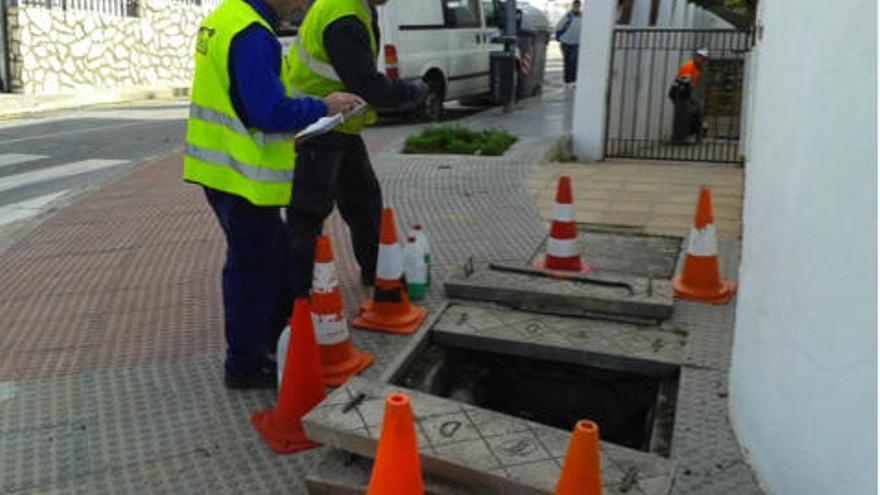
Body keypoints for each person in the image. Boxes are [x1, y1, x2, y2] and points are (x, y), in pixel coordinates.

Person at [183, 0, 362, 389]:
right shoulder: (252, 34)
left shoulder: (224, 18)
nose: (305, 4)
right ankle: (245, 365)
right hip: (242, 175)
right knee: (253, 267)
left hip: (223, 169)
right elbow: (268, 111)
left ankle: (277, 338)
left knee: (271, 254)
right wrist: (323, 106)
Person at [284, 0, 427, 301]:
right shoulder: (344, 17)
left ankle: (378, 273)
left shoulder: (353, 8)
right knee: (308, 214)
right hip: (321, 126)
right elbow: (367, 85)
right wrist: (412, 91)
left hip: (339, 125)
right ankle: (295, 297)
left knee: (364, 202)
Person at [670, 47, 708, 143]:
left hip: (684, 94)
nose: (701, 60)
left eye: (703, 58)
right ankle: (679, 138)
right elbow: (685, 84)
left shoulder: (697, 68)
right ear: (696, 56)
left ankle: (684, 137)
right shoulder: (689, 66)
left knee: (689, 115)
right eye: (700, 57)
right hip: (680, 94)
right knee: (682, 116)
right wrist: (690, 98)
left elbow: (693, 84)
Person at [555, 0, 582, 86]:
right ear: (573, 6)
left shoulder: (583, 17)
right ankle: (567, 81)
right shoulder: (568, 16)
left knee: (574, 62)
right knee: (567, 62)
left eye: (578, 5)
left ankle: (573, 81)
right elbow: (558, 27)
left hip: (576, 43)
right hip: (566, 42)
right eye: (575, 5)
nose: (576, 7)